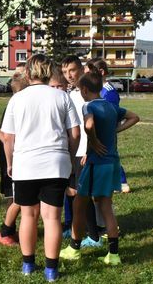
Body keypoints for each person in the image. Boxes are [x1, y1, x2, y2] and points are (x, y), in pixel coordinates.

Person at [1, 55, 80, 280]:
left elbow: (8, 137)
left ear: (27, 73)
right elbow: (75, 133)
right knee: (52, 217)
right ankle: (51, 270)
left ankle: (28, 265)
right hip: (56, 163)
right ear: (50, 72)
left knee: (28, 215)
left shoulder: (17, 99)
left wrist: (10, 163)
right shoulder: (62, 96)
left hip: (25, 163)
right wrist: (70, 158)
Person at [60, 72, 139, 266]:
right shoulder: (111, 106)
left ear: (85, 90)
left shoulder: (88, 106)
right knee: (106, 207)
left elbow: (89, 124)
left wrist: (93, 141)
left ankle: (74, 249)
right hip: (112, 162)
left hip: (97, 164)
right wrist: (114, 130)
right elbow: (134, 117)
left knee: (79, 205)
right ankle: (113, 255)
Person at [61, 55, 103, 247]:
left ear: (81, 69)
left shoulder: (85, 94)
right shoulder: (70, 93)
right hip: (73, 150)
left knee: (82, 194)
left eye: (72, 70)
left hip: (83, 152)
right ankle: (75, 228)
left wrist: (88, 149)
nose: (68, 75)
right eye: (65, 72)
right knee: (72, 191)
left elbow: (93, 124)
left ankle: (94, 236)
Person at [85, 57, 130, 193]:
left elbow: (113, 114)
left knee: (108, 155)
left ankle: (121, 182)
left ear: (101, 72)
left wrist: (114, 129)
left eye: (89, 73)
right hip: (98, 130)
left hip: (105, 131)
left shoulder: (108, 91)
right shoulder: (96, 89)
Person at [0, 63, 28, 247]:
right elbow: (0, 132)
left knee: (19, 194)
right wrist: (14, 145)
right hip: (12, 155)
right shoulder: (14, 102)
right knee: (13, 194)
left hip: (19, 154)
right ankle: (7, 231)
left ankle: (12, 229)